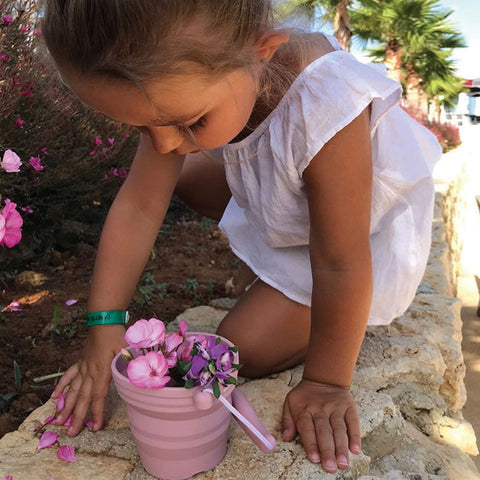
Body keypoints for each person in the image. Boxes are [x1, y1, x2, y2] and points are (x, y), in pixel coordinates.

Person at [42, 0, 441, 474]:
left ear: (263, 52)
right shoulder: (195, 82)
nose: (165, 144)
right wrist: (103, 327)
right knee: (184, 175)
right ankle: (267, 258)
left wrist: (328, 383)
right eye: (139, 126)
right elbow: (139, 204)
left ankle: (285, 283)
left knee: (241, 346)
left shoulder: (326, 102)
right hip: (299, 203)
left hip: (358, 235)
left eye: (189, 123)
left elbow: (340, 259)